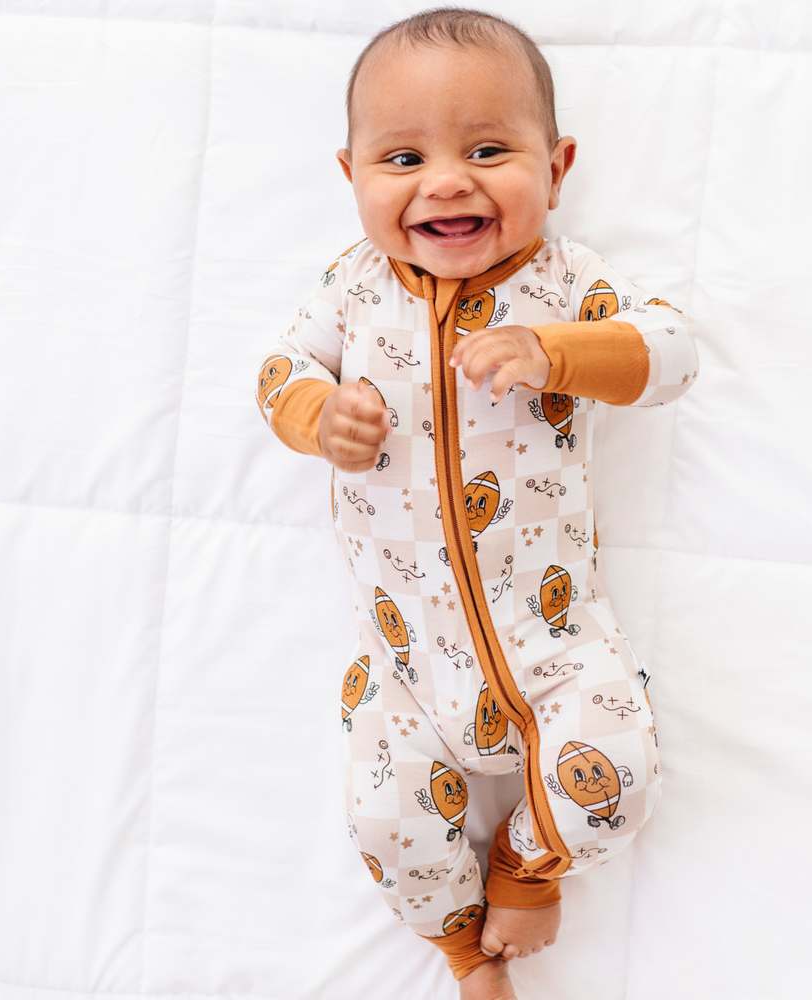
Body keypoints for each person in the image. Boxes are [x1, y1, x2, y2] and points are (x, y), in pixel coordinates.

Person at [256, 8, 697, 999]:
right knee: (382, 814)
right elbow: (280, 369)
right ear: (350, 174)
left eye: (490, 149)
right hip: (405, 658)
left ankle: (523, 870)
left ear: (556, 165)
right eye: (402, 156)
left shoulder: (564, 279)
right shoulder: (353, 285)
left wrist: (555, 353)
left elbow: (670, 352)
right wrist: (317, 414)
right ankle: (462, 953)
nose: (447, 180)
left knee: (613, 782)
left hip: (554, 640)